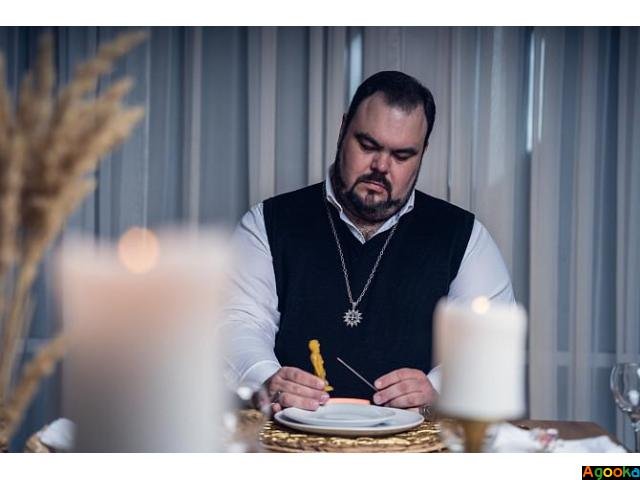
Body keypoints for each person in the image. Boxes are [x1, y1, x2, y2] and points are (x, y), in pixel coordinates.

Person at [221, 70, 514, 414]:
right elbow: (237, 323)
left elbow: (491, 343)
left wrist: (437, 388)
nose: (381, 166)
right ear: (342, 130)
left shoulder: (466, 237)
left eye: (402, 156)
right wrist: (268, 379)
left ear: (422, 153)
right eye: (368, 145)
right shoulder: (266, 223)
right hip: (290, 439)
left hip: (414, 444)